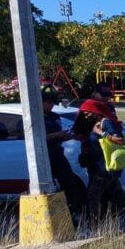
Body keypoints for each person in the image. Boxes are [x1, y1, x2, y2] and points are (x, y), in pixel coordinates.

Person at [75, 98, 125, 224]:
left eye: (87, 112)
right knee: (119, 196)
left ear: (95, 111)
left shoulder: (106, 123)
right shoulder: (93, 124)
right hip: (99, 166)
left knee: (92, 196)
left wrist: (101, 133)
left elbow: (120, 139)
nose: (85, 115)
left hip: (105, 168)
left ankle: (93, 226)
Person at [41, 85, 86, 216]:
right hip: (44, 157)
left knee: (69, 183)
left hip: (57, 153)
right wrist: (58, 135)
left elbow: (59, 136)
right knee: (50, 186)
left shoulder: (54, 116)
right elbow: (37, 138)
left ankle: (72, 211)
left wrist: (70, 135)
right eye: (48, 103)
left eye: (52, 103)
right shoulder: (35, 118)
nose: (51, 106)